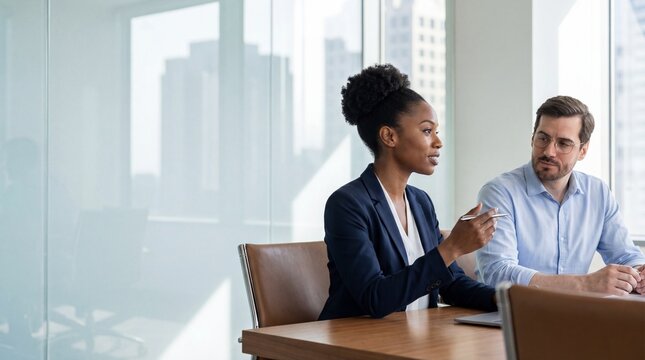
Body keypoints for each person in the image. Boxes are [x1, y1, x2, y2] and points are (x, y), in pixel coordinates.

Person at [318, 64, 499, 320]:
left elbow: (451, 284)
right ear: (389, 136)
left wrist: (506, 298)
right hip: (357, 344)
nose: (438, 142)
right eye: (427, 131)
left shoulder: (420, 202)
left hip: (414, 340)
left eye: (436, 131)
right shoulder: (347, 204)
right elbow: (375, 298)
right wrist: (452, 247)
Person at [476, 95, 645, 296]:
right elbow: (498, 273)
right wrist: (585, 284)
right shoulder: (499, 193)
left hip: (574, 314)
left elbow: (626, 256)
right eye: (543, 138)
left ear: (582, 150)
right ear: (532, 138)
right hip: (510, 315)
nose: (549, 151)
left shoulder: (597, 192)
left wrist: (639, 273)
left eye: (563, 143)